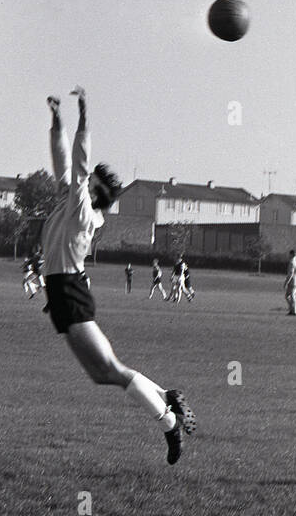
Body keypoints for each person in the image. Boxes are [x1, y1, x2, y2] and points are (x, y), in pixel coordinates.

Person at [40, 89, 193, 463]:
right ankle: (167, 396)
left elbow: (78, 161)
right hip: (60, 294)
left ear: (94, 192)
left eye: (88, 180)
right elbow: (64, 162)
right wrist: (57, 120)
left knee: (113, 369)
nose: (82, 179)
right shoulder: (76, 203)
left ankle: (169, 423)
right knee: (100, 375)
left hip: (69, 294)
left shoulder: (82, 212)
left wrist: (84, 114)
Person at [284, 249, 296, 315]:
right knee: (288, 296)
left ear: (291, 254)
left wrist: (286, 282)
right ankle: (292, 309)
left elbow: (291, 273)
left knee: (292, 296)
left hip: (292, 282)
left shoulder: (292, 263)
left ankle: (294, 310)